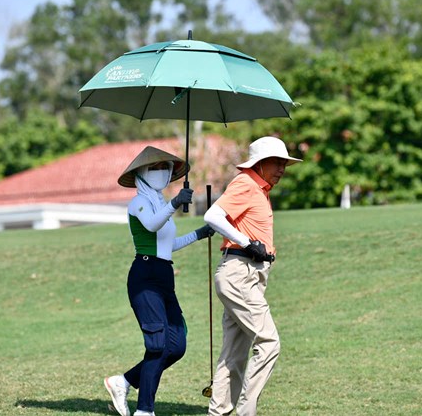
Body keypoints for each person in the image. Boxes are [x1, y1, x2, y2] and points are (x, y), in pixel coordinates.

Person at [104, 146, 214, 416]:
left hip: (164, 275)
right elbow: (152, 225)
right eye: (154, 167)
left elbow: (167, 244)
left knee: (176, 346)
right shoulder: (139, 202)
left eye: (165, 167)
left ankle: (124, 381)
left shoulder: (158, 201)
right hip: (144, 277)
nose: (162, 172)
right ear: (140, 173)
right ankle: (145, 411)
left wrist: (199, 234)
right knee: (157, 344)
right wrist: (175, 203)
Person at [203, 136, 302, 416]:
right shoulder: (246, 183)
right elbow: (212, 216)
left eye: (285, 164)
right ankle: (247, 411)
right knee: (269, 342)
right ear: (259, 164)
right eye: (277, 162)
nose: (282, 168)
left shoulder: (261, 189)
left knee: (233, 354)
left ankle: (218, 412)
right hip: (240, 274)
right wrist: (247, 242)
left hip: (245, 275)